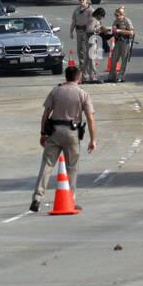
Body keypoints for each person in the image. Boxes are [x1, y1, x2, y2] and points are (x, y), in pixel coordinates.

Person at [30, 65, 97, 212]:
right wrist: (93, 139)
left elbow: (45, 114)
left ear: (66, 77)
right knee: (71, 167)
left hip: (54, 132)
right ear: (78, 78)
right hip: (72, 132)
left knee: (47, 165)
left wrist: (42, 134)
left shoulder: (56, 91)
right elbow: (90, 118)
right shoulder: (83, 94)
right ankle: (70, 200)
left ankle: (37, 198)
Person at [108, 6, 134, 82]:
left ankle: (121, 77)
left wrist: (120, 31)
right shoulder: (115, 21)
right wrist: (113, 31)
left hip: (125, 42)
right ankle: (112, 76)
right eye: (115, 15)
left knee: (124, 60)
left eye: (118, 15)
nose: (116, 17)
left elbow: (131, 32)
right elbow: (113, 29)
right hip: (118, 41)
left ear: (122, 14)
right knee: (113, 59)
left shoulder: (126, 21)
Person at [70, 0, 93, 74]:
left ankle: (87, 67)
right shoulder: (76, 10)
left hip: (86, 32)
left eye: (83, 0)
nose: (82, 1)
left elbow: (93, 22)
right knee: (79, 49)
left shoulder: (90, 10)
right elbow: (74, 22)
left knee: (85, 50)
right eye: (80, 0)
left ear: (86, 0)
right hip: (79, 31)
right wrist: (71, 31)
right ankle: (81, 65)